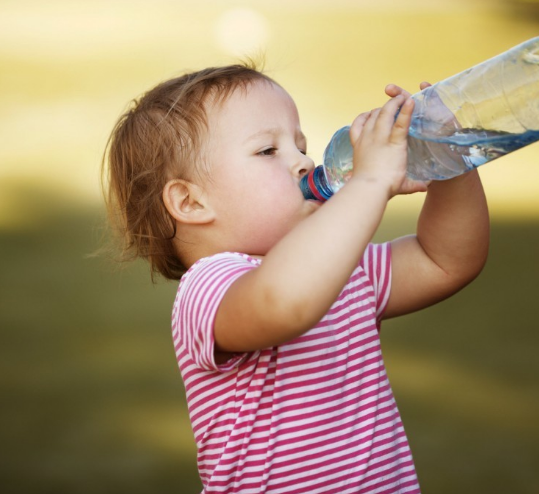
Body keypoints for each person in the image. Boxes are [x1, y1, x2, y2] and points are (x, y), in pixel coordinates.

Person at [103, 62, 490, 494]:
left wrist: (450, 159)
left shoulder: (344, 269)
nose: (304, 161)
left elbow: (447, 260)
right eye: (268, 151)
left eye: (300, 144)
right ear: (190, 202)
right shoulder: (209, 287)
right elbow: (285, 303)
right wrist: (371, 180)